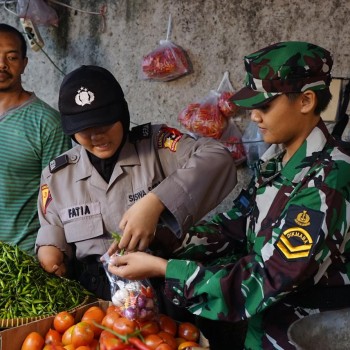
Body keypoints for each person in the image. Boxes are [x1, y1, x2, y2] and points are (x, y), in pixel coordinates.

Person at [107, 41, 350, 350]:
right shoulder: (277, 163)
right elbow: (235, 225)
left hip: (305, 335)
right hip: (263, 329)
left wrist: (164, 269)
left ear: (305, 101)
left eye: (264, 107)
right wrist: (160, 241)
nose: (254, 118)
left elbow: (271, 277)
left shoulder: (330, 178)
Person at [35, 65, 237, 301]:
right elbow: (53, 226)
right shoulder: (58, 175)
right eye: (84, 129)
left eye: (104, 123)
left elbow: (218, 157)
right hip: (94, 298)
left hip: (163, 289)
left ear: (121, 114)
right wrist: (50, 250)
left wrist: (156, 202)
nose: (97, 136)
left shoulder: (156, 145)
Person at [0, 23, 71, 255]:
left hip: (20, 262)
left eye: (11, 57)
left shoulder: (47, 123)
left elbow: (58, 198)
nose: (2, 64)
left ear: (24, 63)